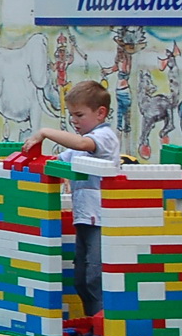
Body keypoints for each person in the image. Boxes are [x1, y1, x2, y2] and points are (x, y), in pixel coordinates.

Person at [24, 80, 117, 322]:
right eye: (71, 115)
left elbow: (82, 144)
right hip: (85, 218)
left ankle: (104, 326)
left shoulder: (104, 137)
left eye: (79, 115)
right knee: (82, 275)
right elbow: (55, 163)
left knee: (96, 275)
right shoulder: (79, 147)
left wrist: (45, 132)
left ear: (101, 113)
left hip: (103, 218)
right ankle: (93, 323)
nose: (74, 121)